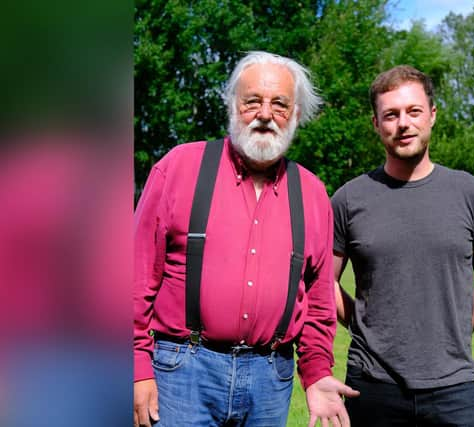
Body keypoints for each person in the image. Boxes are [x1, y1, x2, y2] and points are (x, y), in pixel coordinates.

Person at [133, 51, 358, 427]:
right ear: (231, 106)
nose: (266, 114)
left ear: (296, 115)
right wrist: (137, 366)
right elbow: (134, 277)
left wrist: (316, 371)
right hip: (182, 371)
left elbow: (319, 303)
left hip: (271, 379)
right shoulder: (178, 168)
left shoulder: (313, 193)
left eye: (280, 105)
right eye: (252, 101)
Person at [332, 65, 474, 426]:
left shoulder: (469, 192)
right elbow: (322, 281)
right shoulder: (349, 199)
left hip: (454, 384)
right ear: (376, 124)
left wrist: (456, 328)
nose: (403, 123)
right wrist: (364, 328)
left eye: (413, 111)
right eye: (391, 115)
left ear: (432, 115)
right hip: (372, 384)